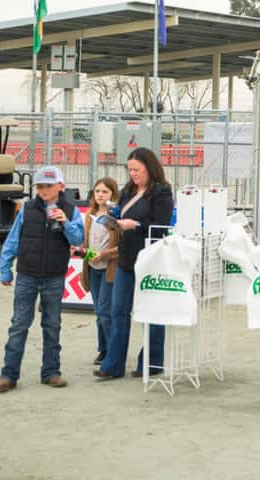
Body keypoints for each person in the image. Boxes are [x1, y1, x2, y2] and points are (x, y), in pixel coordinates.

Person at [0, 165, 84, 391]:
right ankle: (8, 375)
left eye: (49, 186)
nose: (44, 190)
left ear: (61, 186)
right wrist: (5, 268)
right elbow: (13, 240)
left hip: (54, 276)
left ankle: (51, 372)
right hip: (26, 275)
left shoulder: (71, 210)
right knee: (19, 325)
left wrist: (65, 222)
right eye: (40, 186)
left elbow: (78, 238)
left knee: (52, 325)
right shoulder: (27, 209)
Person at [96, 147, 174, 380]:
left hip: (150, 259)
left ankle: (152, 362)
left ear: (150, 168)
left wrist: (136, 225)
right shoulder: (129, 189)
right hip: (127, 259)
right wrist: (116, 220)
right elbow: (123, 214)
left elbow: (161, 226)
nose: (133, 174)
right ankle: (113, 365)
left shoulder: (162, 193)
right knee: (118, 311)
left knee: (152, 313)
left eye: (137, 170)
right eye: (130, 170)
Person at [76, 176, 120, 365]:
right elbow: (85, 242)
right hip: (92, 268)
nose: (100, 195)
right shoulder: (89, 215)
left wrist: (104, 254)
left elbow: (121, 247)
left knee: (105, 311)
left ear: (113, 194)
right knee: (99, 312)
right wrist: (82, 252)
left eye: (105, 192)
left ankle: (114, 351)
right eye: (98, 191)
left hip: (109, 269)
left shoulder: (116, 216)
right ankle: (103, 349)